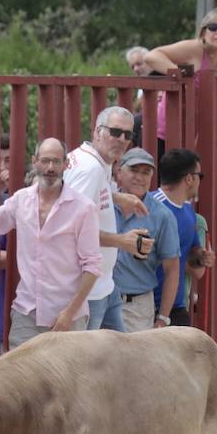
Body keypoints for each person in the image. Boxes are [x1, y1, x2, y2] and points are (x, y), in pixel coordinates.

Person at [0, 138, 101, 347]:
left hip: (68, 317)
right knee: (21, 379)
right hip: (26, 313)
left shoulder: (84, 208)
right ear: (35, 162)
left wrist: (70, 313)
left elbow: (93, 266)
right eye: (45, 161)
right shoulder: (21, 200)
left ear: (66, 164)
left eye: (56, 161)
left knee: (66, 380)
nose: (50, 167)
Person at [63, 106, 153, 330]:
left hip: (103, 285)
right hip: (87, 289)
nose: (122, 139)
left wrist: (116, 197)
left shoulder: (92, 161)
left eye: (128, 135)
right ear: (96, 132)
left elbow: (76, 201)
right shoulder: (90, 169)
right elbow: (72, 228)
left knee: (122, 358)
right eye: (114, 132)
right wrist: (123, 241)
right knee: (89, 362)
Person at [143, 7, 217, 154]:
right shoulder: (195, 48)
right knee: (160, 177)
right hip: (164, 131)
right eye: (213, 27)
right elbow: (152, 57)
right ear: (204, 32)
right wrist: (181, 76)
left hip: (190, 134)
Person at [111, 148, 180, 332]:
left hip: (137, 308)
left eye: (146, 172)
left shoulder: (162, 215)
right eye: (134, 170)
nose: (139, 177)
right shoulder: (103, 206)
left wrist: (164, 318)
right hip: (98, 302)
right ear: (119, 171)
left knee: (133, 361)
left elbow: (172, 268)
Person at [152, 149, 214, 327]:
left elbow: (193, 255)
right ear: (189, 179)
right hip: (149, 306)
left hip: (177, 307)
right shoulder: (150, 207)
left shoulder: (188, 211)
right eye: (199, 175)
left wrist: (201, 256)